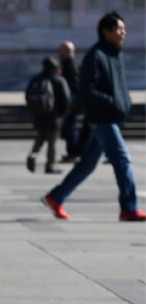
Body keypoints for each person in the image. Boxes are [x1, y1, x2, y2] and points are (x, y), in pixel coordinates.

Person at [44, 12, 143, 221]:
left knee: (88, 163)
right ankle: (129, 206)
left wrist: (123, 102)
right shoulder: (96, 55)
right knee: (122, 159)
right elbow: (86, 89)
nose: (123, 32)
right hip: (102, 117)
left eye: (124, 29)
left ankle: (56, 196)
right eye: (119, 29)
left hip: (110, 116)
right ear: (106, 32)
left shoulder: (115, 53)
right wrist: (112, 103)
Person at [26, 57, 71, 175]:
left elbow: (28, 95)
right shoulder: (59, 80)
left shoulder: (36, 79)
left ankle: (33, 155)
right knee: (54, 141)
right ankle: (50, 165)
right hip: (55, 117)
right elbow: (66, 98)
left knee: (40, 138)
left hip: (39, 115)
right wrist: (64, 112)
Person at [58, 41, 82, 161]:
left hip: (71, 103)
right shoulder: (71, 63)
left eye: (61, 50)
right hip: (71, 102)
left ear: (66, 51)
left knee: (70, 127)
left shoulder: (70, 64)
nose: (59, 52)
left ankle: (73, 153)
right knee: (69, 127)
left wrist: (69, 105)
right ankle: (73, 152)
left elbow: (72, 86)